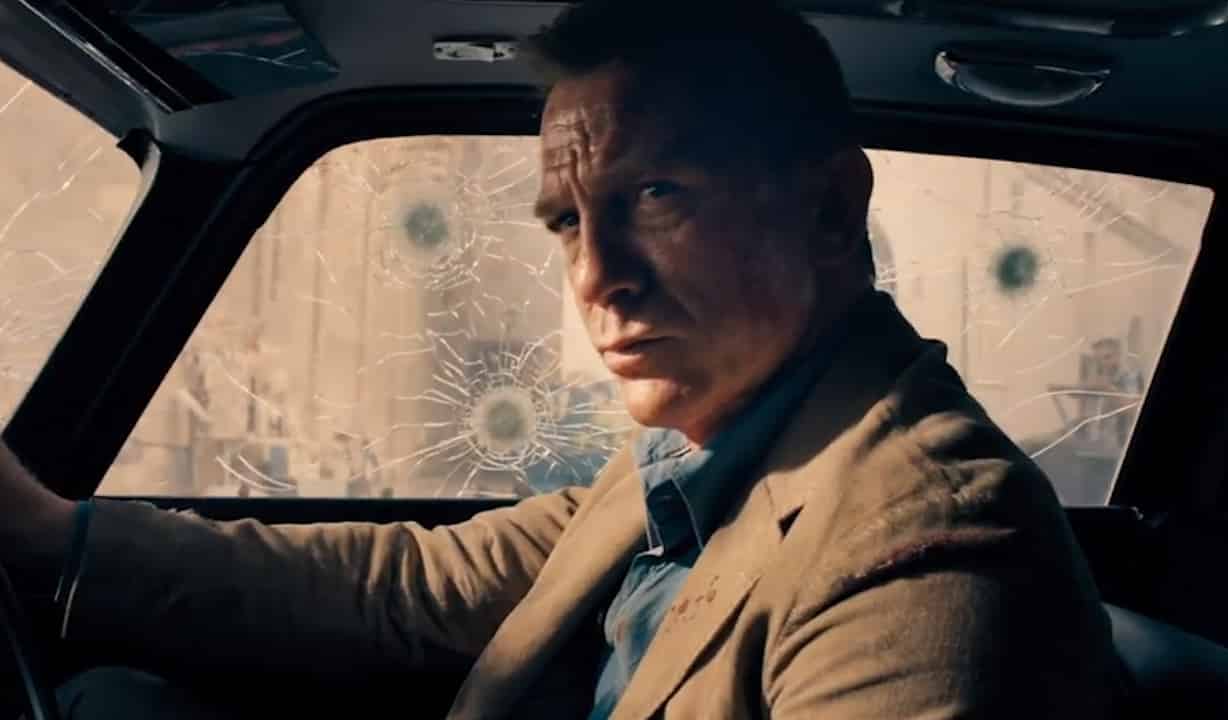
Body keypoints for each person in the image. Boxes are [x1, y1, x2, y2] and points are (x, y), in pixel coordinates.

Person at [0, 1, 1121, 717]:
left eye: (654, 195)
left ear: (829, 208)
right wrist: (50, 537)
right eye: (568, 222)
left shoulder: (927, 556)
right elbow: (418, 586)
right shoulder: (697, 458)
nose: (597, 277)